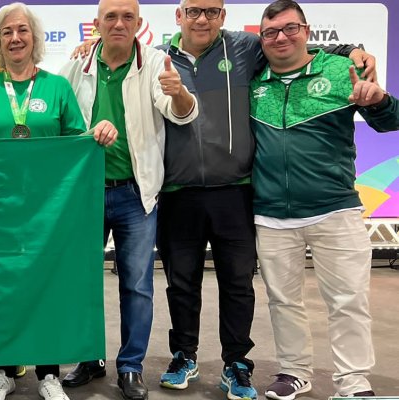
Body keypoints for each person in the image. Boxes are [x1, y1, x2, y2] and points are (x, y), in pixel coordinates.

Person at [150, 0, 376, 398]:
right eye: (194, 11)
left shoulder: (244, 47)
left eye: (212, 11)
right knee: (181, 283)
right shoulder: (155, 58)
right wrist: (89, 46)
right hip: (178, 192)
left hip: (237, 190)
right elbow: (116, 57)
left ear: (223, 16)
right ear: (178, 16)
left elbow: (295, 44)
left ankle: (237, 363)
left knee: (238, 284)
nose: (202, 19)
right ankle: (184, 355)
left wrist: (351, 49)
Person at [0, 3, 116, 399]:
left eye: (22, 30)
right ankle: (2, 373)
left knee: (47, 287)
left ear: (35, 38)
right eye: (7, 32)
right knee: (1, 289)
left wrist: (99, 131)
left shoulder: (56, 87)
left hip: (47, 211)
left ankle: (48, 374)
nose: (15, 38)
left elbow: (78, 142)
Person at [249, 1, 399, 399]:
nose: (281, 37)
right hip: (271, 214)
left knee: (348, 300)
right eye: (270, 32)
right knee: (283, 301)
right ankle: (293, 371)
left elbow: (391, 122)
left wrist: (378, 100)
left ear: (307, 31)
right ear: (261, 39)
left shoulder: (340, 69)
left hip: (335, 209)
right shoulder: (251, 78)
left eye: (290, 28)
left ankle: (353, 381)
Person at [57, 0, 198, 399]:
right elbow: (58, 119)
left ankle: (131, 366)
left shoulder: (154, 64)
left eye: (127, 17)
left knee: (136, 285)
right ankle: (89, 357)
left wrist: (180, 94)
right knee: (82, 282)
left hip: (136, 194)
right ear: (97, 23)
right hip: (84, 193)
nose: (119, 23)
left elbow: (181, 112)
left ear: (139, 23)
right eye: (111, 17)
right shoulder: (75, 66)